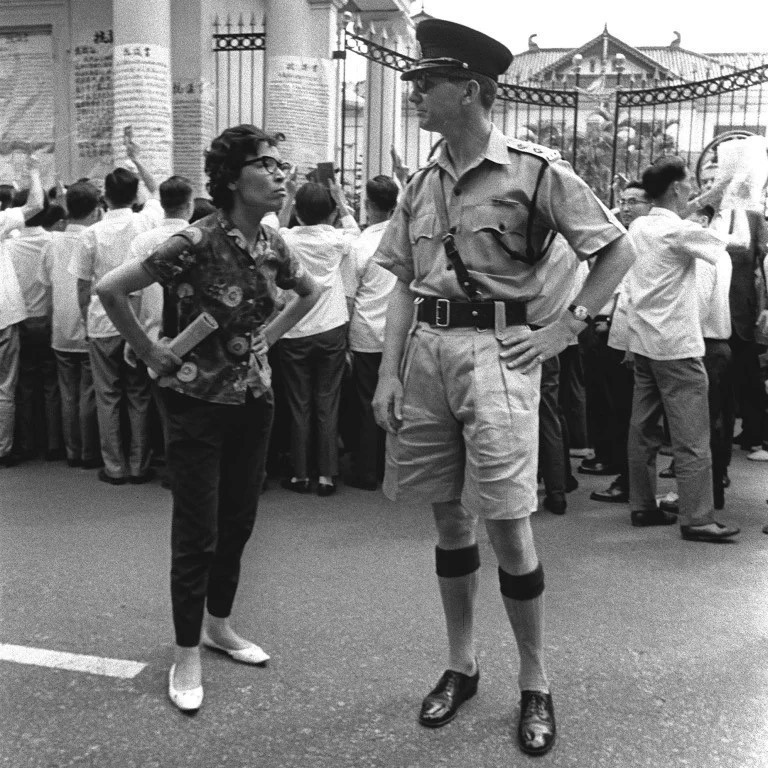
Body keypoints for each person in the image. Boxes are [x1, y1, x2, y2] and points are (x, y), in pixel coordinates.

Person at [372, 19, 635, 757]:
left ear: (472, 90)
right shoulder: (422, 182)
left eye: (429, 81)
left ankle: (535, 680)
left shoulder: (534, 170)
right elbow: (400, 283)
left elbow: (616, 248)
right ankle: (462, 663)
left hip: (500, 354)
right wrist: (389, 371)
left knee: (509, 526)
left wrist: (567, 327)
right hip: (427, 354)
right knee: (448, 525)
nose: (416, 90)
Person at [96, 124, 320, 713]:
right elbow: (111, 287)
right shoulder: (194, 241)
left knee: (239, 520)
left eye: (281, 165)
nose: (280, 174)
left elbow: (311, 290)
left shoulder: (272, 242)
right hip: (196, 406)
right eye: (266, 164)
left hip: (255, 400)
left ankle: (219, 627)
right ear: (231, 179)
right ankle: (186, 650)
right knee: (197, 531)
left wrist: (268, 339)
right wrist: (150, 351)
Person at [624, 156, 739, 542]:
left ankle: (642, 505)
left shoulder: (640, 225)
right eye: (689, 182)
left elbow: (678, 214)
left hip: (643, 342)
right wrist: (731, 198)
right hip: (677, 347)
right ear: (676, 187)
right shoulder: (680, 233)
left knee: (642, 430)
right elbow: (727, 245)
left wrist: (707, 194)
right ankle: (698, 517)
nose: (692, 188)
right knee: (691, 438)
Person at [68, 137, 162, 484]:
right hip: (136, 324)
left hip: (101, 322)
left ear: (103, 198)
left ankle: (115, 466)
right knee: (138, 394)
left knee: (107, 395)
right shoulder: (145, 221)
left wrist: (85, 316)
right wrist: (137, 160)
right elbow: (155, 193)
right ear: (134, 194)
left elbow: (81, 285)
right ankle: (140, 463)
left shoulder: (91, 234)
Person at [276, 179, 359, 496]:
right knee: (327, 402)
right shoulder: (339, 241)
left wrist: (289, 199)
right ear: (330, 213)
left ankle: (299, 473)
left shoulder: (286, 240)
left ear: (299, 211)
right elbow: (354, 232)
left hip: (294, 328)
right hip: (331, 327)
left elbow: (277, 229)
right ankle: (326, 474)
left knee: (299, 403)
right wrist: (340, 199)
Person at [589, 182, 652, 503]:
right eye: (623, 201)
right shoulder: (619, 237)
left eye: (634, 201)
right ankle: (621, 471)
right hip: (615, 334)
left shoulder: (650, 239)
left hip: (637, 339)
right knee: (617, 408)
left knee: (634, 414)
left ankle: (630, 482)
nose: (626, 207)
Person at [38, 181, 103, 469]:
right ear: (94, 210)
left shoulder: (51, 242)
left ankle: (72, 450)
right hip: (89, 323)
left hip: (61, 326)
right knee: (88, 391)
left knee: (67, 391)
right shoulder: (95, 238)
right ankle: (89, 452)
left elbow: (46, 287)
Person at [344, 174, 399, 490]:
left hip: (366, 332)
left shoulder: (360, 245)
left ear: (367, 205)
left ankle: (367, 469)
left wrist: (345, 341)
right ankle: (394, 466)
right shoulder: (404, 238)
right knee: (397, 399)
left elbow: (350, 296)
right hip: (399, 331)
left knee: (367, 402)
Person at [5, 190, 62, 461]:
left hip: (20, 318)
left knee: (24, 383)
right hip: (46, 318)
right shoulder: (53, 241)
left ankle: (27, 442)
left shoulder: (10, 245)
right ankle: (53, 443)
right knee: (51, 382)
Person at [0, 155, 44, 466]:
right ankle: (2, 448)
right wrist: (33, 170)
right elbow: (36, 205)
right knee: (5, 386)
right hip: (3, 313)